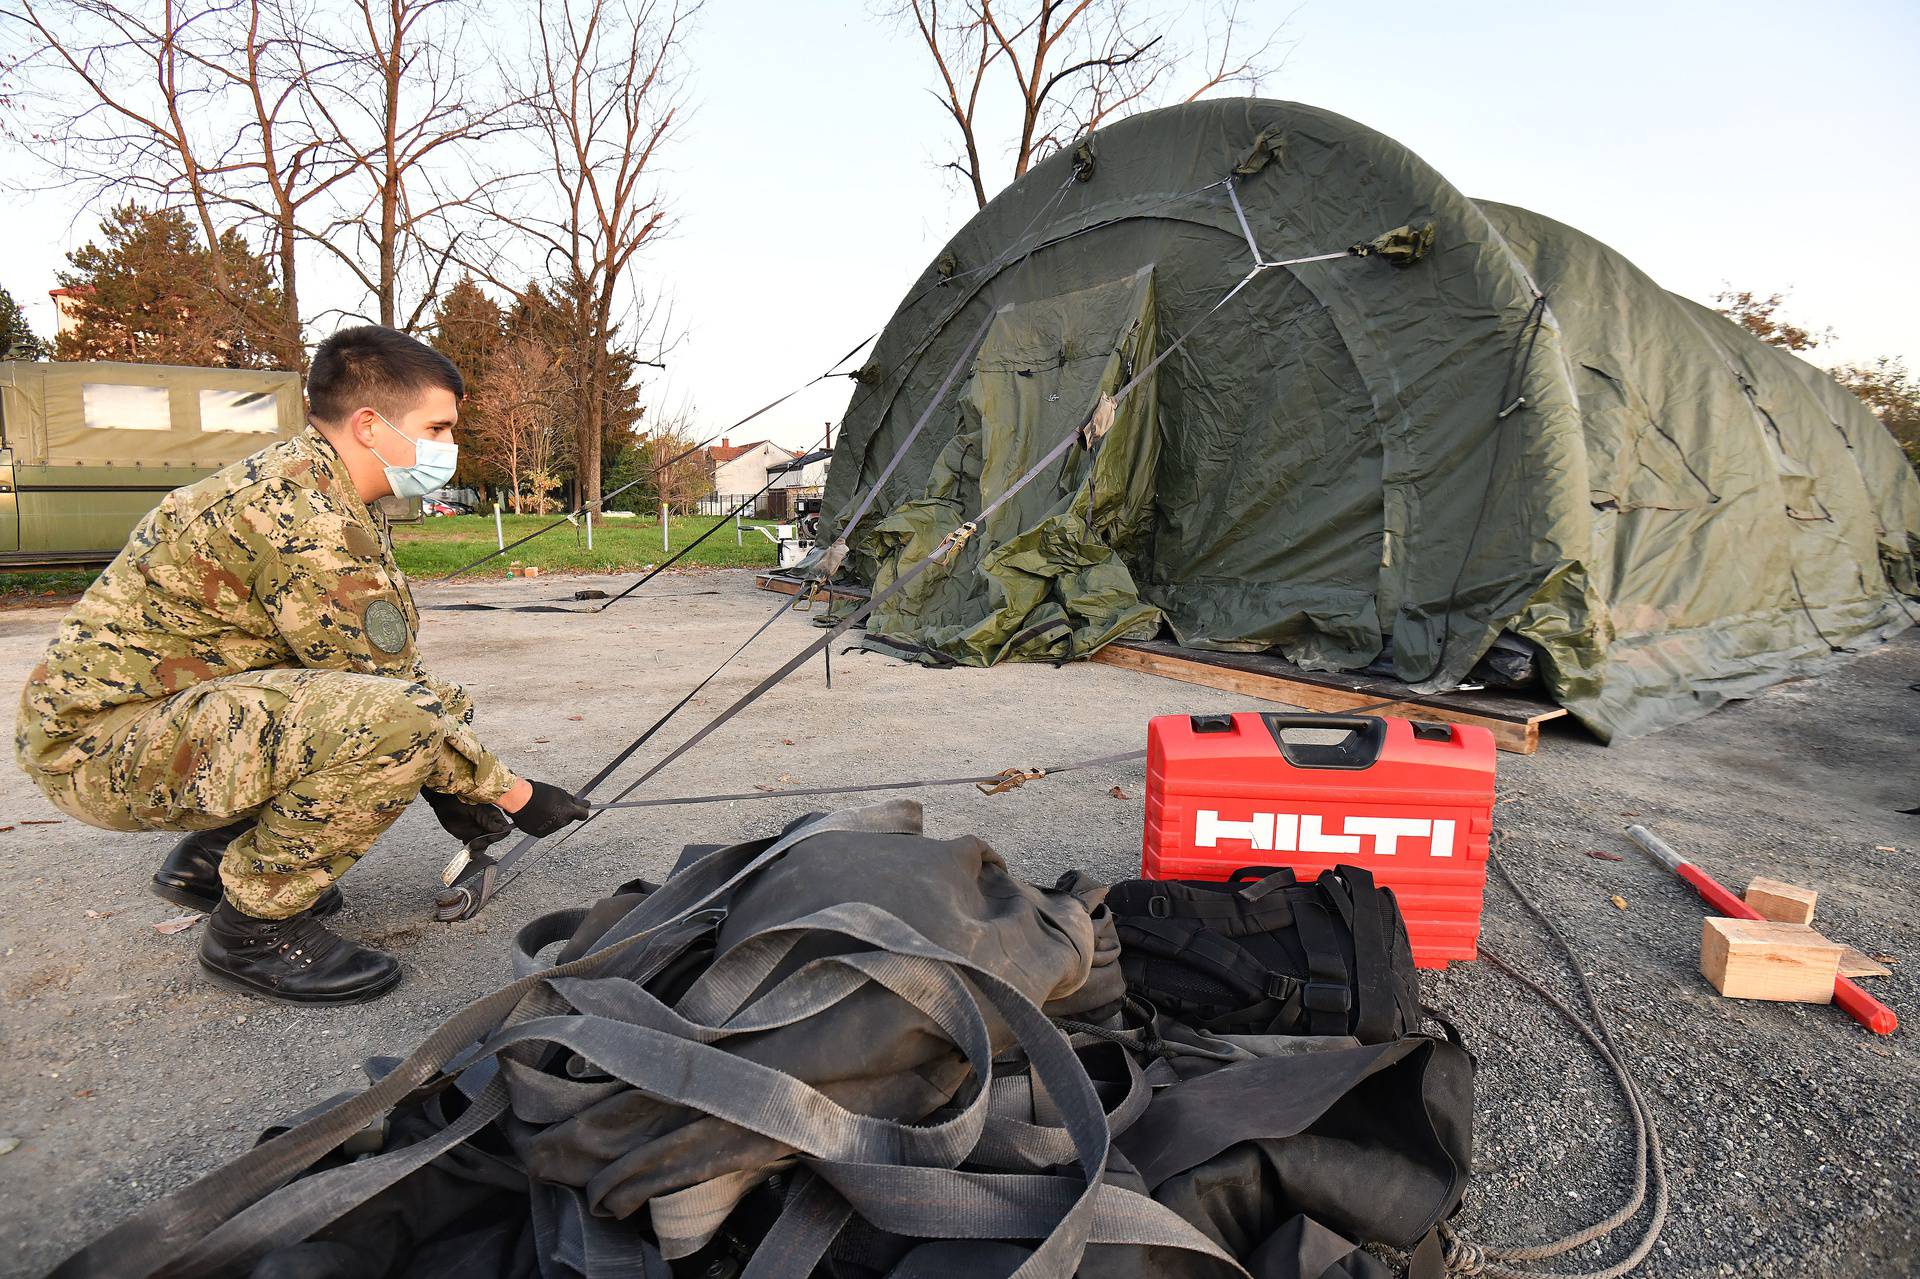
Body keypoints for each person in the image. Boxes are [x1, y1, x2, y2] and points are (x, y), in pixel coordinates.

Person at [14, 325, 588, 1005]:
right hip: (99, 750)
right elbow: (387, 702)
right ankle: (255, 930)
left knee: (424, 706)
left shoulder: (321, 484)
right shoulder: (305, 517)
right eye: (438, 427)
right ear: (372, 425)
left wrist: (472, 780)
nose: (448, 447)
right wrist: (512, 795)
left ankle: (207, 865)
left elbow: (388, 668)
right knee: (394, 722)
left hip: (140, 724)